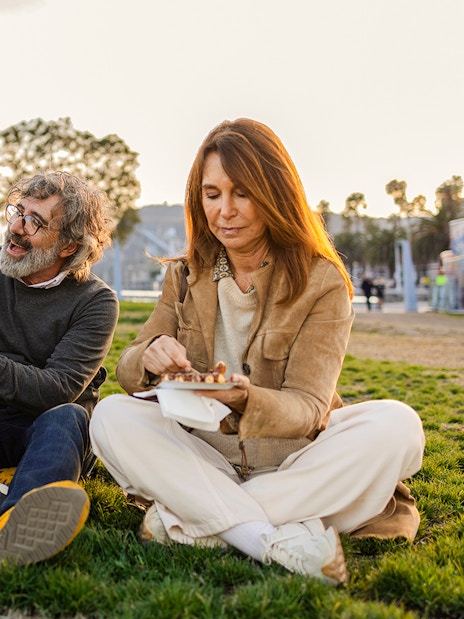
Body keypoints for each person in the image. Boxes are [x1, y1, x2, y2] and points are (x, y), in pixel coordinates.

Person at [90, 119, 425, 586]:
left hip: (298, 460)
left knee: (398, 425)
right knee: (111, 417)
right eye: (212, 194)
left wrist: (247, 400)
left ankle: (194, 522)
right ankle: (274, 538)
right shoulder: (184, 275)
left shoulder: (321, 281)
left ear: (273, 192)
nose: (224, 210)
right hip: (205, 454)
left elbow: (310, 407)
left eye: (241, 193)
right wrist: (148, 356)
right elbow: (129, 369)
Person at [0, 171, 119, 565]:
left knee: (67, 416)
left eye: (35, 222)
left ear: (68, 245)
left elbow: (57, 388)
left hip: (48, 430)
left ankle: (14, 521)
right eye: (18, 211)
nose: (17, 227)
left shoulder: (96, 302)